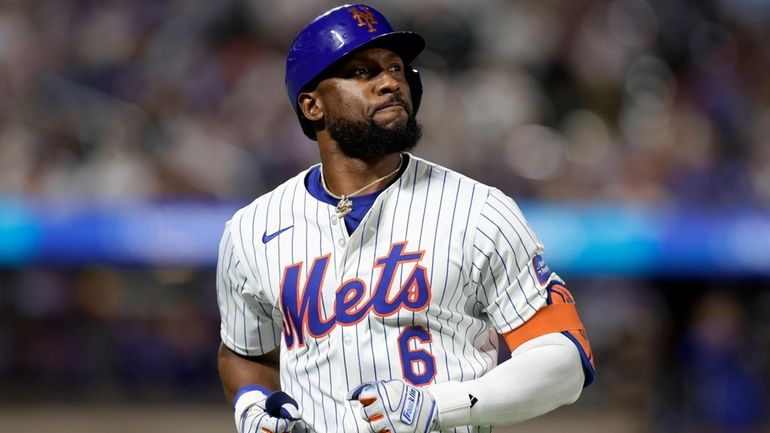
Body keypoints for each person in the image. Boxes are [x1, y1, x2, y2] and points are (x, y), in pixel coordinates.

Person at [216, 4, 595, 433]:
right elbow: (246, 353)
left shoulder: (479, 211)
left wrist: (442, 404)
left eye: (395, 67)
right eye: (362, 72)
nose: (390, 82)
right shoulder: (251, 230)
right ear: (312, 105)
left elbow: (565, 360)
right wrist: (251, 403)